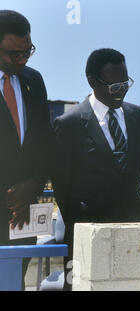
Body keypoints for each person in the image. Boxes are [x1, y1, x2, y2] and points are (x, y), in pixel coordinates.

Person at [52, 48, 140, 289]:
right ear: (92, 81)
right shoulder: (70, 123)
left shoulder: (138, 115)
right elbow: (62, 184)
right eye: (115, 86)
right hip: (88, 231)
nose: (122, 91)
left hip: (135, 227)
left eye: (126, 84)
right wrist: (82, 227)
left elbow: (136, 171)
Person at [0, 10, 52, 290]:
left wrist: (32, 185)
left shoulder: (35, 81)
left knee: (14, 284)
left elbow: (44, 143)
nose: (23, 59)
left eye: (27, 51)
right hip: (9, 205)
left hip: (22, 220)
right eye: (13, 54)